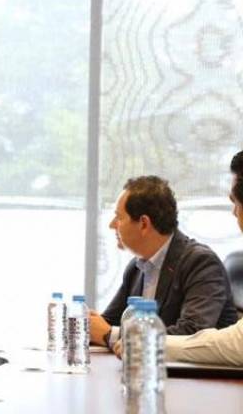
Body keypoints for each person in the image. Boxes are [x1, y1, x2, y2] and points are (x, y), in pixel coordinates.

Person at [90, 175, 237, 349]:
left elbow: (192, 334)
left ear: (144, 224)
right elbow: (108, 323)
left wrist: (112, 335)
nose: (112, 225)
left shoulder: (201, 263)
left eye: (119, 217)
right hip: (148, 365)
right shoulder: (136, 268)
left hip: (198, 367)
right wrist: (86, 324)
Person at [165, 150, 243, 365]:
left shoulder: (199, 260)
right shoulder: (136, 267)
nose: (234, 213)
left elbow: (236, 345)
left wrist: (149, 343)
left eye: (235, 203)